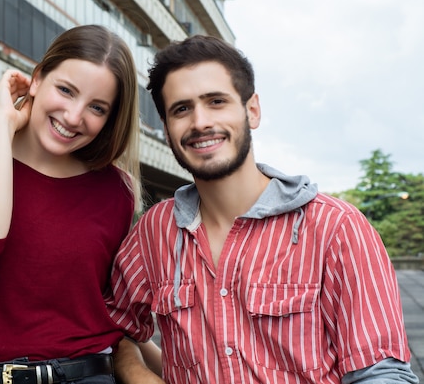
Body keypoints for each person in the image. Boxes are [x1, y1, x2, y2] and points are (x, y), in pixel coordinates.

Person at [107, 35, 419, 383]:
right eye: (181, 109)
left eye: (216, 101)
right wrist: (136, 372)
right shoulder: (155, 231)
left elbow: (383, 375)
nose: (200, 122)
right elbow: (112, 327)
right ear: (166, 130)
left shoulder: (336, 227)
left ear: (252, 111)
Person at [0, 24, 145, 384]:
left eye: (97, 108)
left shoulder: (116, 191)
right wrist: (2, 125)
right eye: (66, 90)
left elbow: (108, 306)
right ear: (37, 79)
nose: (74, 117)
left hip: (85, 375)